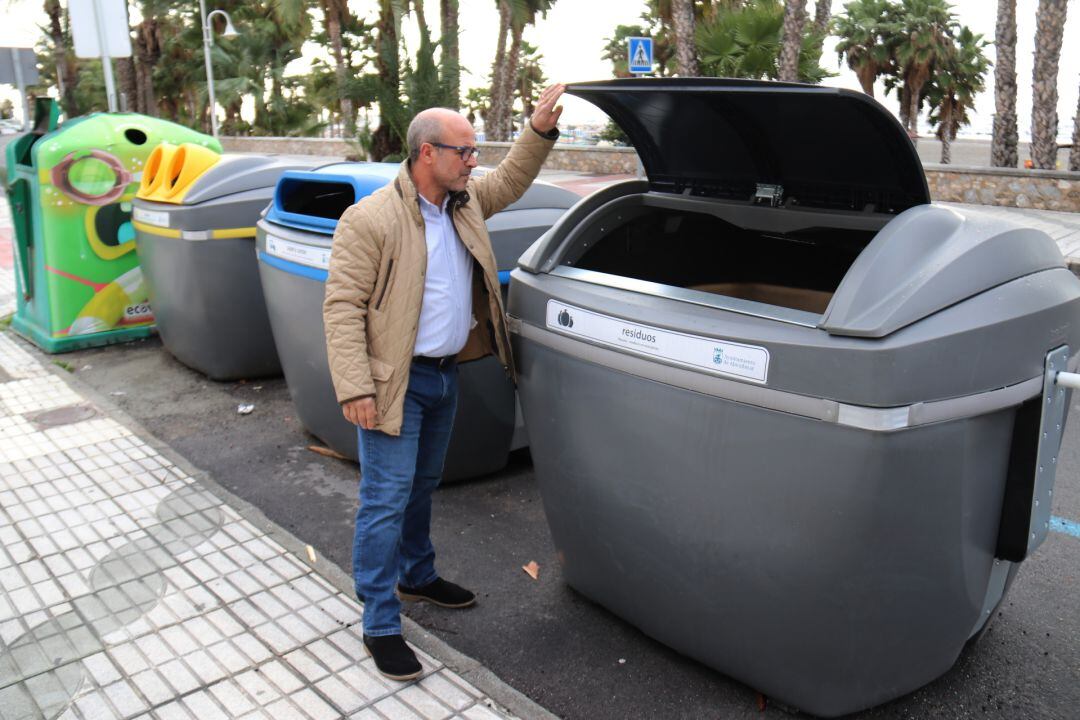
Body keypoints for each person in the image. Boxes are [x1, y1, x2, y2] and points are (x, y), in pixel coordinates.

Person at [323, 85, 566, 681]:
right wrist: (355, 387)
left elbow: (510, 179)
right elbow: (342, 306)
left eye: (474, 152)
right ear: (427, 153)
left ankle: (418, 575)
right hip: (391, 384)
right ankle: (380, 621)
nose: (473, 161)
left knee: (423, 484)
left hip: (443, 377)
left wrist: (537, 128)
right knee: (384, 499)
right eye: (464, 152)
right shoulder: (371, 218)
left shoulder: (465, 203)